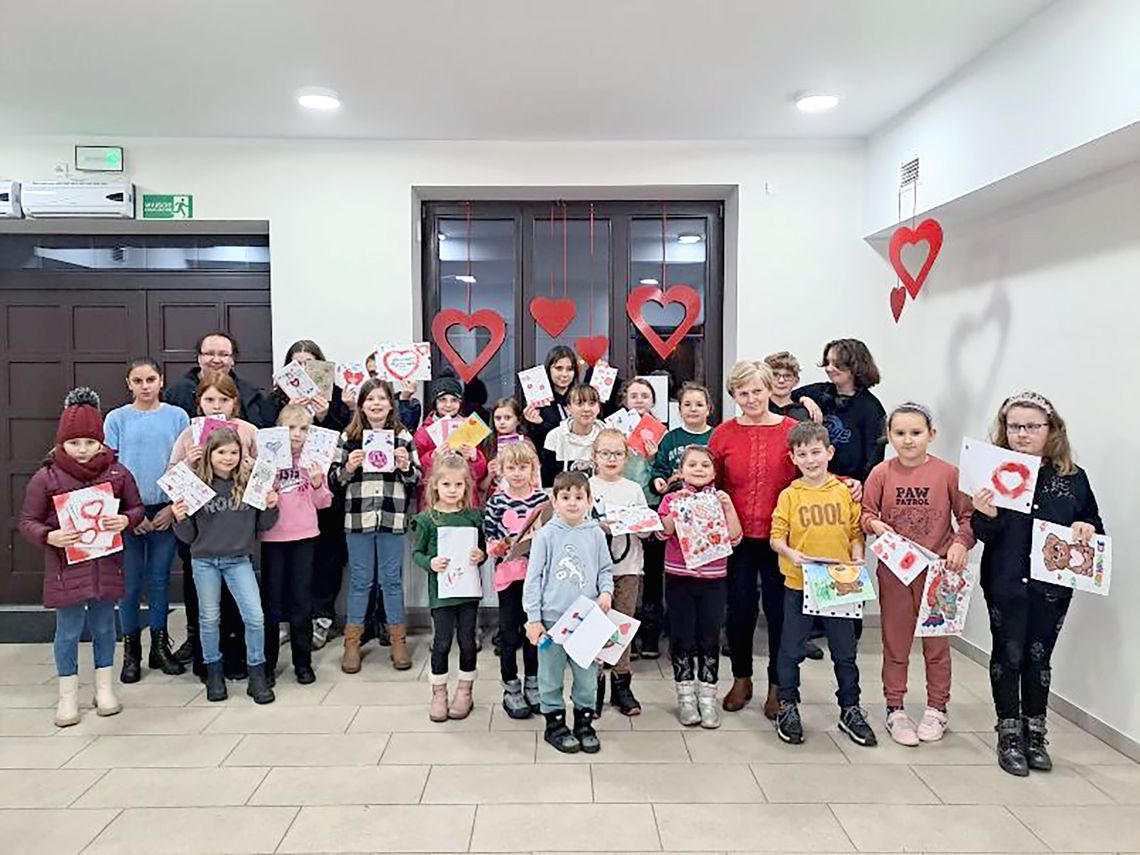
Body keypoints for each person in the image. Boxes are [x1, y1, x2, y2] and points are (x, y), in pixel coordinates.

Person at [971, 391, 1103, 777]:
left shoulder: (1073, 478)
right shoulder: (992, 473)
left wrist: (1086, 528)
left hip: (1053, 587)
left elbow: (1093, 523)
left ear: (1051, 429)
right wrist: (987, 514)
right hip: (1006, 581)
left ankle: (1036, 733)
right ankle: (1008, 732)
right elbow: (983, 533)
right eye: (1014, 427)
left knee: (1038, 657)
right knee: (1008, 655)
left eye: (1031, 426)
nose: (1022, 434)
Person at [20, 388, 144, 727]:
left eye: (90, 442)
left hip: (106, 564)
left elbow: (135, 507)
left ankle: (104, 689)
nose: (83, 450)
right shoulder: (47, 477)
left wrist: (125, 520)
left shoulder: (117, 474)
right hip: (65, 568)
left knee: (105, 626)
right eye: (75, 443)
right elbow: (27, 521)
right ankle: (68, 694)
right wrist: (50, 535)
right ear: (62, 443)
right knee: (69, 629)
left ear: (101, 441)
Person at [861, 402, 975, 745]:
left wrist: (960, 544)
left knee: (937, 647)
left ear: (931, 434)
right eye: (899, 433)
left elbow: (968, 519)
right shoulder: (881, 473)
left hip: (939, 575)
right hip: (896, 573)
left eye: (916, 433)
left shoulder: (949, 474)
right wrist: (875, 525)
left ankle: (937, 708)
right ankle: (895, 708)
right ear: (889, 436)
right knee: (895, 644)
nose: (908, 440)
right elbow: (866, 514)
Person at [769, 421, 876, 747]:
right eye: (803, 454)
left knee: (844, 651)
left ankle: (850, 708)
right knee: (791, 649)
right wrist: (791, 553)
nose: (811, 460)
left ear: (829, 452)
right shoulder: (790, 495)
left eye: (816, 452)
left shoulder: (844, 491)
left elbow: (856, 533)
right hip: (799, 582)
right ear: (793, 458)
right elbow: (776, 537)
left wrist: (858, 556)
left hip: (839, 583)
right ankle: (787, 705)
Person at [707, 360, 797, 718]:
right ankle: (741, 678)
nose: (751, 398)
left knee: (780, 614)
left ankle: (779, 685)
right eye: (742, 392)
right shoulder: (723, 434)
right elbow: (710, 482)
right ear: (734, 395)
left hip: (781, 539)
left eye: (757, 390)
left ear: (770, 390)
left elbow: (811, 473)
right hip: (737, 540)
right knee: (739, 612)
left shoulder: (791, 430)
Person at [172, 427, 278, 705]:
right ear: (209, 454)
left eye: (234, 452)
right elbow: (188, 537)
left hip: (239, 560)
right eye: (221, 452)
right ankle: (213, 672)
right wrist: (179, 517)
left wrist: (270, 505)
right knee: (209, 618)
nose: (228, 458)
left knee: (255, 616)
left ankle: (257, 673)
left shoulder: (249, 483)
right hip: (204, 561)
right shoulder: (196, 486)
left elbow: (263, 525)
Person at [168, 372, 259, 679]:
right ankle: (207, 662)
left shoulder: (247, 431)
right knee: (205, 606)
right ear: (199, 402)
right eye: (209, 399)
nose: (216, 405)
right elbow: (171, 477)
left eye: (223, 399)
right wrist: (189, 462)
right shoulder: (189, 434)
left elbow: (265, 476)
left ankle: (237, 660)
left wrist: (250, 467)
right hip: (200, 531)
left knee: (239, 606)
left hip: (236, 531)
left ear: (235, 402)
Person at [103, 359, 189, 681]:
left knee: (159, 580)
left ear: (161, 380)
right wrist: (128, 512)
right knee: (129, 584)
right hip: (128, 514)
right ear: (129, 383)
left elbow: (184, 466)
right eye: (138, 380)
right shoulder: (117, 419)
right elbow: (109, 469)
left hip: (165, 510)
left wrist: (173, 507)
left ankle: (159, 646)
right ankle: (131, 651)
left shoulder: (177, 417)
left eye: (150, 379)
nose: (145, 386)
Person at [330, 378, 420, 673]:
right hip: (358, 519)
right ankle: (352, 643)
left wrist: (406, 466)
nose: (376, 404)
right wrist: (349, 468)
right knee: (360, 581)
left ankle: (398, 641)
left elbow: (416, 479)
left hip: (392, 517)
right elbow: (334, 480)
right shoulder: (349, 436)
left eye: (382, 399)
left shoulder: (402, 435)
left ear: (391, 404)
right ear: (361, 405)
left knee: (391, 580)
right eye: (370, 400)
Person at [524, 471, 614, 755]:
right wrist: (534, 619)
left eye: (579, 497)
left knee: (587, 676)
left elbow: (605, 571)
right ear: (555, 500)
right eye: (565, 497)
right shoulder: (546, 535)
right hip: (552, 621)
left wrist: (606, 593)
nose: (572, 503)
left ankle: (584, 723)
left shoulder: (597, 534)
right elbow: (533, 578)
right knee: (549, 676)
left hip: (587, 621)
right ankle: (555, 724)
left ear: (589, 501)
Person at [658, 445, 743, 729]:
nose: (698, 469)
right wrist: (674, 507)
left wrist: (728, 507)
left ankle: (708, 697)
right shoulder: (671, 498)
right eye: (691, 464)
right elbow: (663, 532)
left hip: (714, 579)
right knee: (682, 637)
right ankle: (685, 696)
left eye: (705, 465)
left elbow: (734, 538)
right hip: (679, 577)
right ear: (680, 471)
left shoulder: (720, 499)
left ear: (714, 471)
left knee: (709, 637)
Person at [260, 404, 332, 686]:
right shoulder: (267, 459)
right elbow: (257, 498)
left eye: (303, 429)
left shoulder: (314, 460)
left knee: (302, 602)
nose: (297, 435)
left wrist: (316, 483)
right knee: (272, 605)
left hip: (304, 536)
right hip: (272, 538)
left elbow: (324, 502)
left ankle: (303, 663)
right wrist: (269, 492)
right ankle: (267, 664)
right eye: (291, 428)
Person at [412, 453, 486, 722]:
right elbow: (417, 554)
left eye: (458, 485)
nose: (452, 490)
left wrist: (481, 555)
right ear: (435, 485)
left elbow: (484, 551)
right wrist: (430, 562)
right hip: (441, 595)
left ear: (466, 486)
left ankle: (465, 690)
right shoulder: (428, 520)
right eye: (447, 485)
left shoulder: (473, 518)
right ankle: (439, 693)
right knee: (441, 642)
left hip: (467, 592)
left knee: (468, 641)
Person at [483, 441, 548, 718]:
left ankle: (534, 684)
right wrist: (496, 547)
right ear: (501, 470)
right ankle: (511, 687)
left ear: (533, 469)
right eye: (512, 467)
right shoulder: (496, 501)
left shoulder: (542, 500)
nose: (518, 473)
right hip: (508, 577)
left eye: (523, 467)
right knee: (509, 634)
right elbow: (490, 538)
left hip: (537, 577)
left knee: (534, 631)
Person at [589, 428, 650, 716]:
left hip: (627, 568)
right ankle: (594, 684)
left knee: (621, 625)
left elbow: (647, 530)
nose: (611, 459)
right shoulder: (587, 486)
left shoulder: (633, 489)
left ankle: (621, 684)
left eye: (617, 453)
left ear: (626, 457)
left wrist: (643, 525)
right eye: (605, 453)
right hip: (592, 571)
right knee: (594, 627)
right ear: (594, 457)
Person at [794, 338, 886, 484]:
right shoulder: (819, 392)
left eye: (837, 364)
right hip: (812, 482)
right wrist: (805, 400)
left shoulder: (871, 408)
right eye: (828, 362)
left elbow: (874, 458)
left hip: (849, 486)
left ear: (855, 366)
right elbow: (784, 398)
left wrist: (861, 488)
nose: (829, 368)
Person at [164, 331, 274, 428]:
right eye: (209, 354)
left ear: (232, 360)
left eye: (223, 354)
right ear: (199, 358)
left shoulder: (250, 394)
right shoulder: (177, 392)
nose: (216, 360)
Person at [414, 375, 488, 506]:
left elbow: (479, 474)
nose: (448, 405)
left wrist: (475, 457)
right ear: (435, 403)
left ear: (460, 403)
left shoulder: (470, 428)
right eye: (442, 400)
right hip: (434, 502)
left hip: (465, 500)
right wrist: (432, 457)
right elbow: (416, 471)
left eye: (454, 400)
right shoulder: (424, 432)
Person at [522, 345, 580, 458]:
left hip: (579, 461)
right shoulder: (538, 401)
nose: (564, 374)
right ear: (548, 369)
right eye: (558, 368)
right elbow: (534, 443)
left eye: (570, 369)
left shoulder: (580, 398)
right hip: (549, 464)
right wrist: (539, 424)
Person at [541, 384, 602, 486]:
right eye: (579, 404)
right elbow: (548, 482)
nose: (586, 409)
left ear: (599, 407)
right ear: (569, 408)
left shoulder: (607, 436)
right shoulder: (554, 436)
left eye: (592, 403)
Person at [478, 397, 536, 500]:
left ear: (518, 420)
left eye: (507, 417)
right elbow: (481, 487)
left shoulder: (526, 445)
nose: (502, 422)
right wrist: (490, 474)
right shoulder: (489, 446)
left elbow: (535, 477)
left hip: (524, 498)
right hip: (497, 500)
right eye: (498, 418)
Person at [765, 352, 814, 422]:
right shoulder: (759, 409)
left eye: (787, 376)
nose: (781, 381)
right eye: (775, 375)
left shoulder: (804, 412)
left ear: (796, 381)